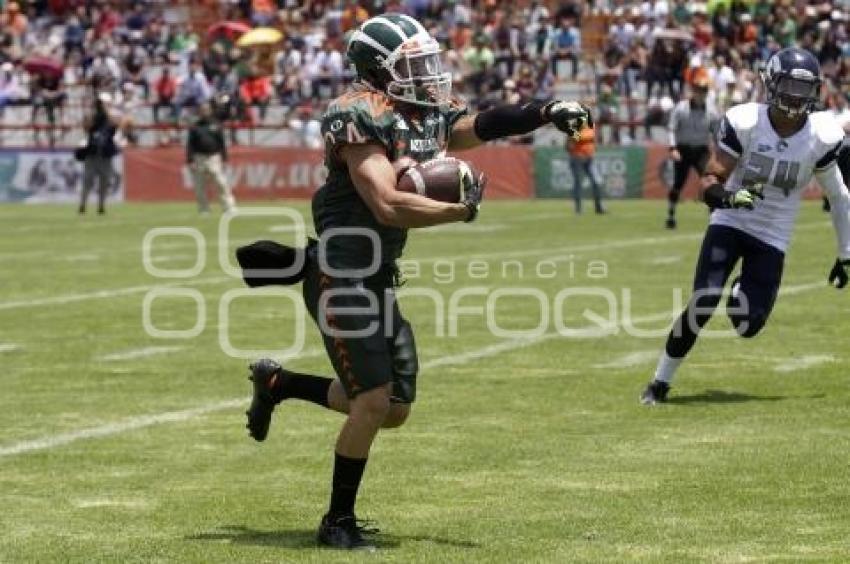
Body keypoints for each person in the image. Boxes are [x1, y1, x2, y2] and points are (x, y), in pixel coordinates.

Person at [237, 12, 591, 550]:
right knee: (374, 401)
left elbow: (478, 126)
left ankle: (277, 383)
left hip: (377, 276)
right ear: (377, 71)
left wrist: (544, 111)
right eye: (412, 65)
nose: (426, 74)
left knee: (394, 409)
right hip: (343, 273)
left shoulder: (417, 110)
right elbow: (387, 202)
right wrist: (460, 211)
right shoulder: (358, 114)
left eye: (425, 62)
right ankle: (337, 522)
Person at [640, 48, 850, 405]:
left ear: (815, 91)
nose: (796, 97)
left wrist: (846, 254)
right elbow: (710, 180)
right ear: (771, 83)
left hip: (773, 234)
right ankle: (660, 382)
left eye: (804, 89)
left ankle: (740, 288)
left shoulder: (822, 134)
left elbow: (841, 196)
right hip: (731, 220)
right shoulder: (746, 121)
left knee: (748, 325)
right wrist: (727, 199)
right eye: (789, 86)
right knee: (703, 301)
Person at [665, 76, 720, 228]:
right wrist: (673, 148)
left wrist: (719, 150)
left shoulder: (712, 110)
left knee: (711, 181)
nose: (700, 94)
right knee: (678, 183)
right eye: (698, 90)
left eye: (703, 91)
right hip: (683, 150)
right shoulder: (681, 108)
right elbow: (671, 128)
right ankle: (671, 214)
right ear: (693, 91)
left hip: (702, 150)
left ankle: (715, 217)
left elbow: (717, 132)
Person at [186, 102, 235, 214]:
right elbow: (190, 145)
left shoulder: (216, 125)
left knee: (221, 183)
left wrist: (224, 158)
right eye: (202, 110)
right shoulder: (195, 126)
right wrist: (190, 160)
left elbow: (222, 143)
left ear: (210, 111)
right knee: (199, 186)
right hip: (199, 158)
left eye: (206, 109)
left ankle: (228, 207)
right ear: (199, 112)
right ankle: (204, 209)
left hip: (214, 157)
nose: (204, 112)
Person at [79, 92, 121, 215]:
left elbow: (115, 124)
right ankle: (83, 205)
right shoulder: (93, 116)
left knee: (104, 182)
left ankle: (101, 206)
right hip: (92, 153)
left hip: (105, 154)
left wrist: (106, 110)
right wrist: (92, 111)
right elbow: (86, 126)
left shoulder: (112, 115)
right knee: (88, 181)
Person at [567, 123, 605, 214]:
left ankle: (598, 207)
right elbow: (570, 143)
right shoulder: (575, 126)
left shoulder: (592, 126)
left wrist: (593, 149)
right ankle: (578, 209)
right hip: (577, 158)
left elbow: (594, 140)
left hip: (589, 158)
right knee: (578, 183)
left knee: (596, 182)